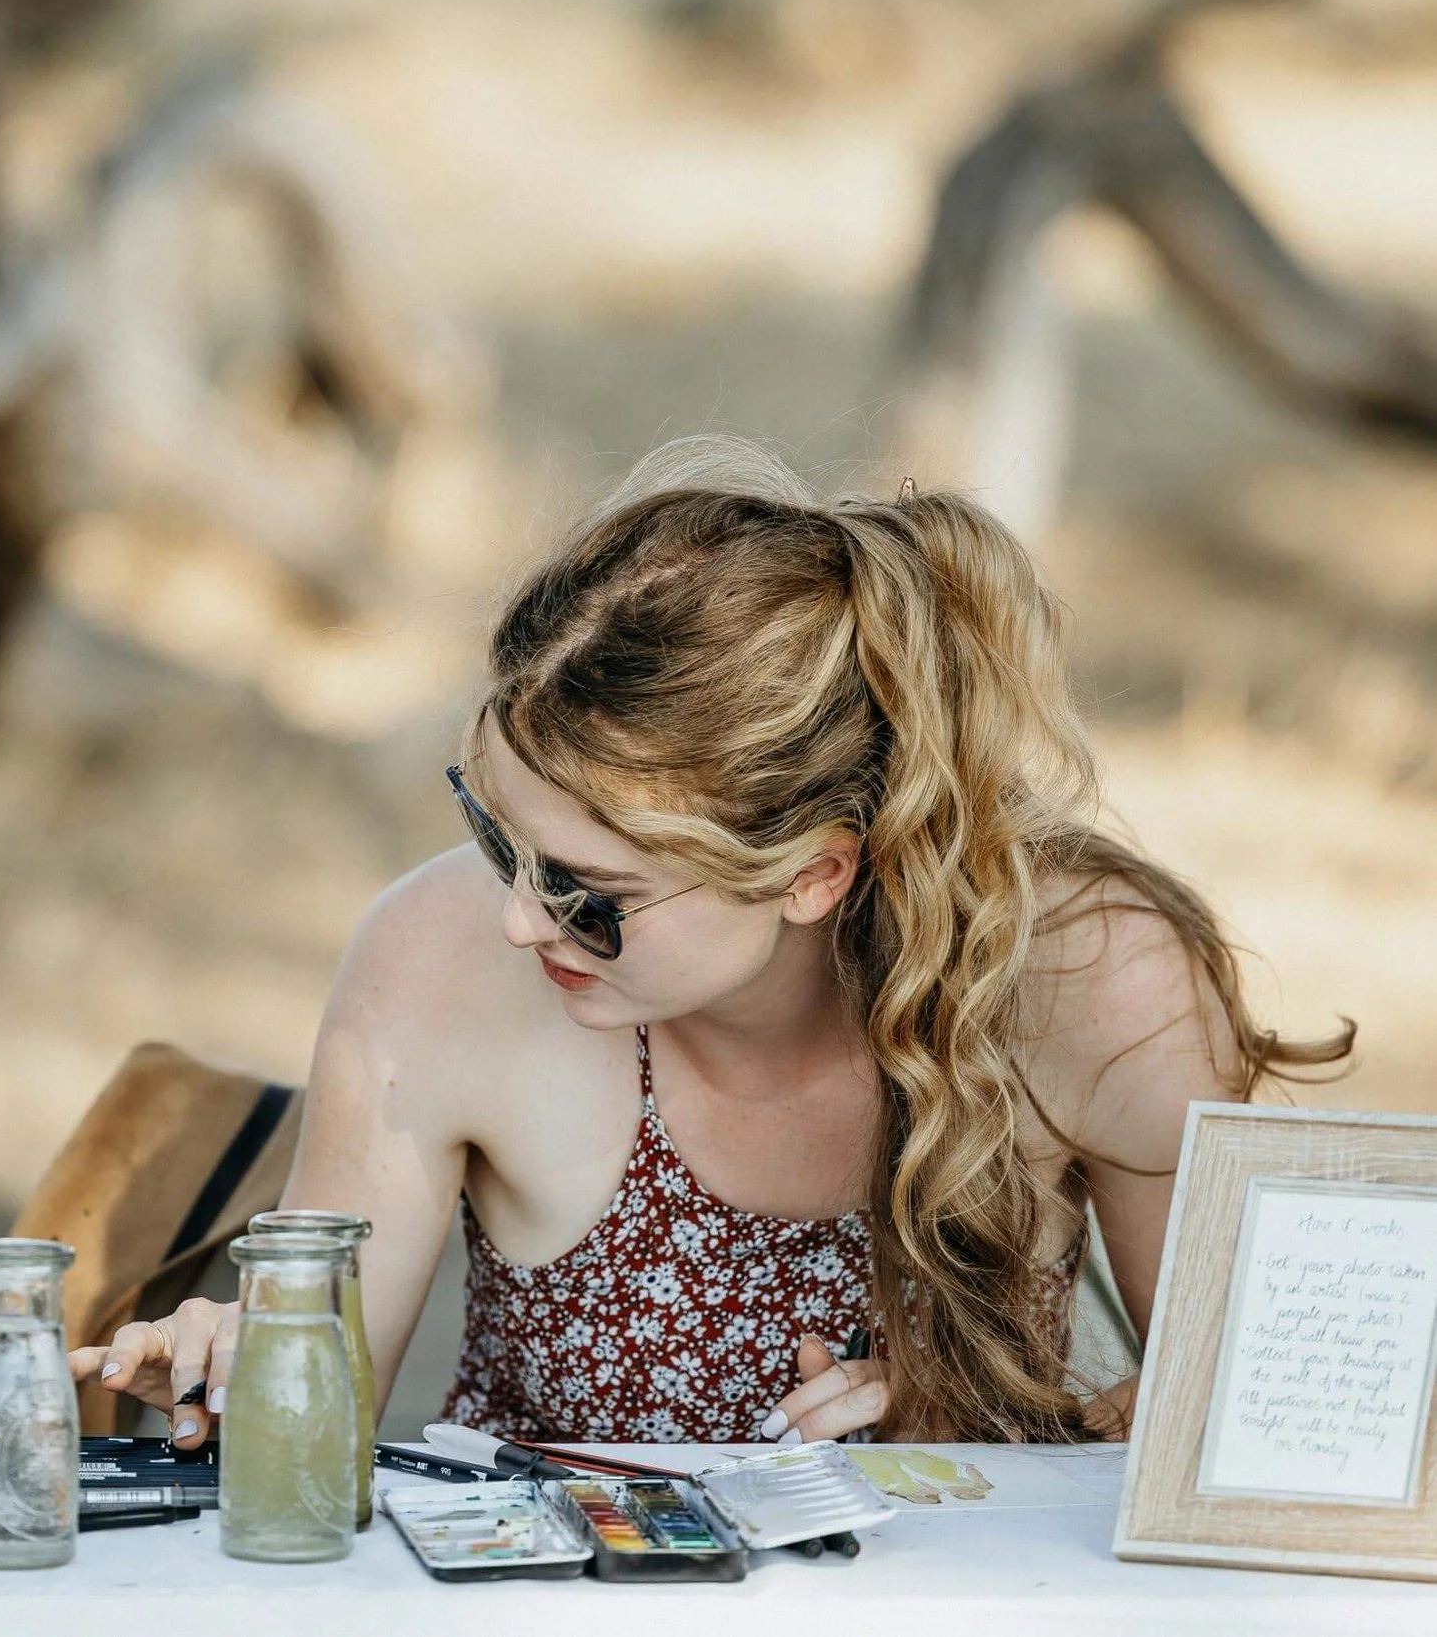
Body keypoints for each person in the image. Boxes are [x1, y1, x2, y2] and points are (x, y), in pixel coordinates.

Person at [76, 444, 1352, 1447]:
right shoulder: (434, 950)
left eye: (590, 890)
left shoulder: (1087, 975)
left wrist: (1015, 1433)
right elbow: (317, 1416)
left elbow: (1276, 1417)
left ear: (812, 873)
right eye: (493, 833)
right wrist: (245, 1374)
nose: (520, 917)